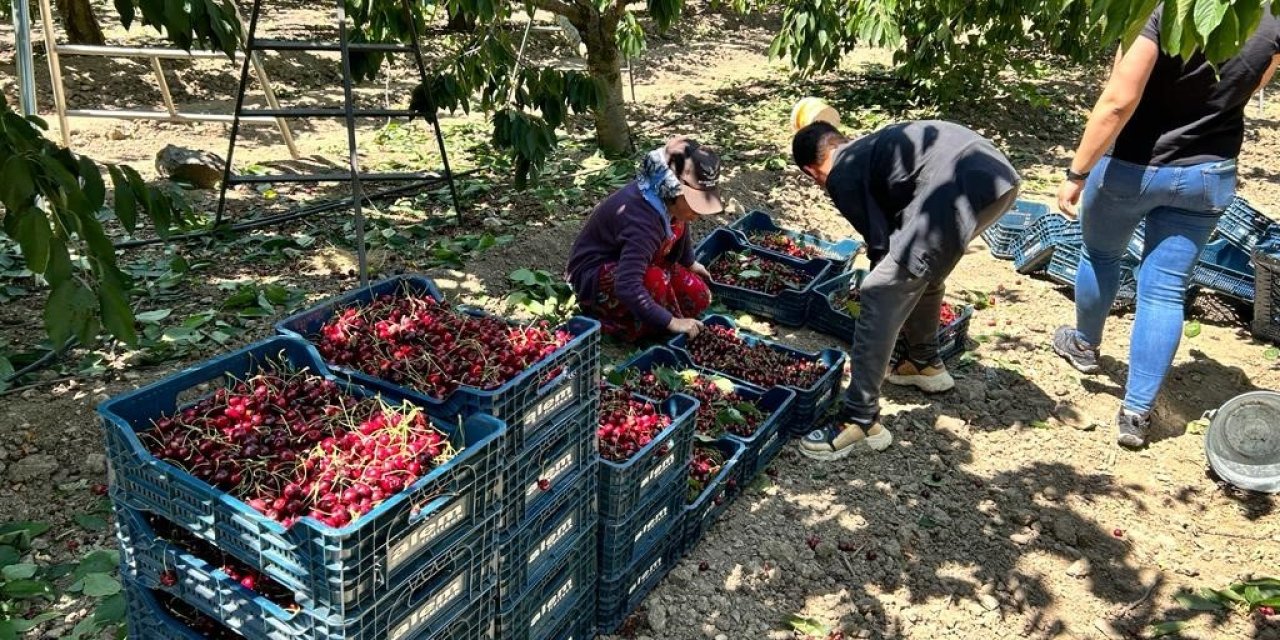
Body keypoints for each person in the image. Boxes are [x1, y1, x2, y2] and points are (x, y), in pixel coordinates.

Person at [1052, 9, 1280, 448]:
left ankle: (1084, 345)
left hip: (1131, 169)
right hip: (1208, 173)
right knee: (1165, 291)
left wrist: (1077, 172)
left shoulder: (1157, 9)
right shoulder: (1267, 16)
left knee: (1100, 255)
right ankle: (1136, 413)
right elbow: (1256, 82)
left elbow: (1118, 101)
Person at [792, 119, 1020, 461]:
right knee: (920, 270)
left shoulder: (841, 172)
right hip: (997, 180)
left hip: (958, 186)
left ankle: (859, 419)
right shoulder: (869, 149)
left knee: (880, 290)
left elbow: (881, 247)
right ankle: (923, 362)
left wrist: (880, 309)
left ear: (811, 171)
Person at [566, 137, 723, 340]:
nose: (699, 212)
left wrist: (690, 262)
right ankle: (613, 323)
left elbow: (680, 226)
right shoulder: (642, 222)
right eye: (694, 202)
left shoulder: (670, 204)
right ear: (672, 188)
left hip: (638, 263)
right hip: (597, 276)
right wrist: (672, 322)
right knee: (655, 282)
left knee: (698, 296)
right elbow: (627, 285)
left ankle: (653, 313)